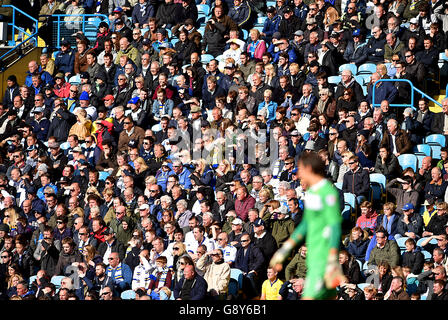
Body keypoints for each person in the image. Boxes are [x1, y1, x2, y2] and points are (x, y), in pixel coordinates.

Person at [270, 152, 345, 299]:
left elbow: (334, 227)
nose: (298, 174)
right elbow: (306, 224)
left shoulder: (328, 192)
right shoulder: (311, 192)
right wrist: (286, 248)